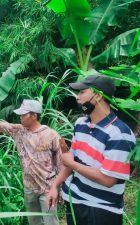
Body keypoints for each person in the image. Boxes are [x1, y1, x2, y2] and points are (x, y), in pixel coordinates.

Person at [47, 75, 136, 225]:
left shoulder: (120, 134)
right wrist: (55, 185)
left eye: (82, 92)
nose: (77, 97)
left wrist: (73, 164)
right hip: (74, 200)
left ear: (99, 95)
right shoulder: (81, 123)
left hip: (102, 209)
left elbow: (108, 180)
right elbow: (72, 160)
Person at [0, 99, 61, 225]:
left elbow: (60, 164)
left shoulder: (51, 135)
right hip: (29, 189)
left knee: (51, 222)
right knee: (34, 222)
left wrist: (58, 189)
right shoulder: (19, 131)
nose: (20, 117)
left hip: (47, 189)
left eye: (23, 115)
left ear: (34, 116)